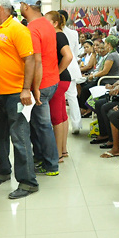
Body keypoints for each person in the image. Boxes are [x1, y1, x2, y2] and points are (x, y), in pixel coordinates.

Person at [0, 0, 38, 199]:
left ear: (1, 8)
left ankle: (27, 182)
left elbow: (31, 60)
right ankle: (1, 171)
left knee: (19, 136)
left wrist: (26, 89)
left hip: (16, 93)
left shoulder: (18, 29)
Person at [19, 0, 60, 176]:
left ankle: (52, 165)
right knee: (39, 125)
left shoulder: (32, 28)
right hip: (52, 81)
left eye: (20, 5)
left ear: (26, 6)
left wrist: (33, 88)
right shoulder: (47, 23)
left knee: (43, 125)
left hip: (41, 84)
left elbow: (37, 61)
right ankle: (43, 159)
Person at [45, 11, 73, 164]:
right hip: (63, 79)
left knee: (56, 118)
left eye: (46, 21)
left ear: (55, 23)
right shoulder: (58, 35)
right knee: (61, 116)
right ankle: (62, 150)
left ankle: (57, 156)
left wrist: (56, 72)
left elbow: (68, 56)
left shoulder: (58, 35)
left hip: (60, 79)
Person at [78, 35, 119, 111]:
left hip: (107, 80)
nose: (104, 45)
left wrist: (93, 76)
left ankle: (85, 109)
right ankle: (83, 107)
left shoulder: (111, 55)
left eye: (105, 43)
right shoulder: (111, 54)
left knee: (86, 89)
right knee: (83, 84)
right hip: (103, 78)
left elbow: (105, 71)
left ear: (109, 44)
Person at [58, 10, 83, 135]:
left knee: (59, 97)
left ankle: (58, 123)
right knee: (72, 97)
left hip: (60, 65)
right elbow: (76, 52)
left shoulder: (56, 32)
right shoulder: (74, 33)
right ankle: (76, 124)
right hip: (72, 66)